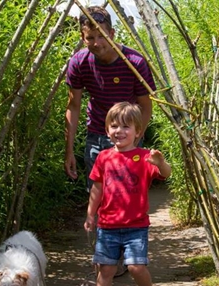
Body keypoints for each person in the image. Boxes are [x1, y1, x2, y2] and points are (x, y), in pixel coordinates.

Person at [83, 102, 171, 286]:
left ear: (138, 132)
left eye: (125, 126)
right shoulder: (103, 157)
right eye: (114, 126)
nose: (119, 131)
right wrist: (91, 214)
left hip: (136, 226)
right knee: (105, 270)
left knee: (136, 267)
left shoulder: (144, 157)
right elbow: (97, 188)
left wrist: (160, 162)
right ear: (106, 129)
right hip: (107, 225)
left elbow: (165, 173)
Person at [65, 5, 156, 192]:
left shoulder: (134, 62)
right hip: (96, 137)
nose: (97, 43)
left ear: (112, 33)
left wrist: (135, 140)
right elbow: (73, 106)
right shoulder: (79, 63)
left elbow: (146, 107)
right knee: (97, 195)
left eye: (102, 36)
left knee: (127, 195)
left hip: (128, 136)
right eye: (90, 38)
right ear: (83, 38)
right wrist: (69, 150)